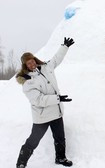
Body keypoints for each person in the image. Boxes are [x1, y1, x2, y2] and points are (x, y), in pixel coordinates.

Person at [15, 37, 75, 168]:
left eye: (32, 61)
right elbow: (38, 100)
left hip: (56, 112)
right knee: (33, 141)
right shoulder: (27, 81)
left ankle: (60, 158)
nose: (31, 64)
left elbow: (56, 59)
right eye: (28, 63)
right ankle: (21, 162)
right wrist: (58, 99)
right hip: (42, 116)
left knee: (60, 138)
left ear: (34, 60)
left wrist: (64, 47)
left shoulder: (46, 67)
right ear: (25, 66)